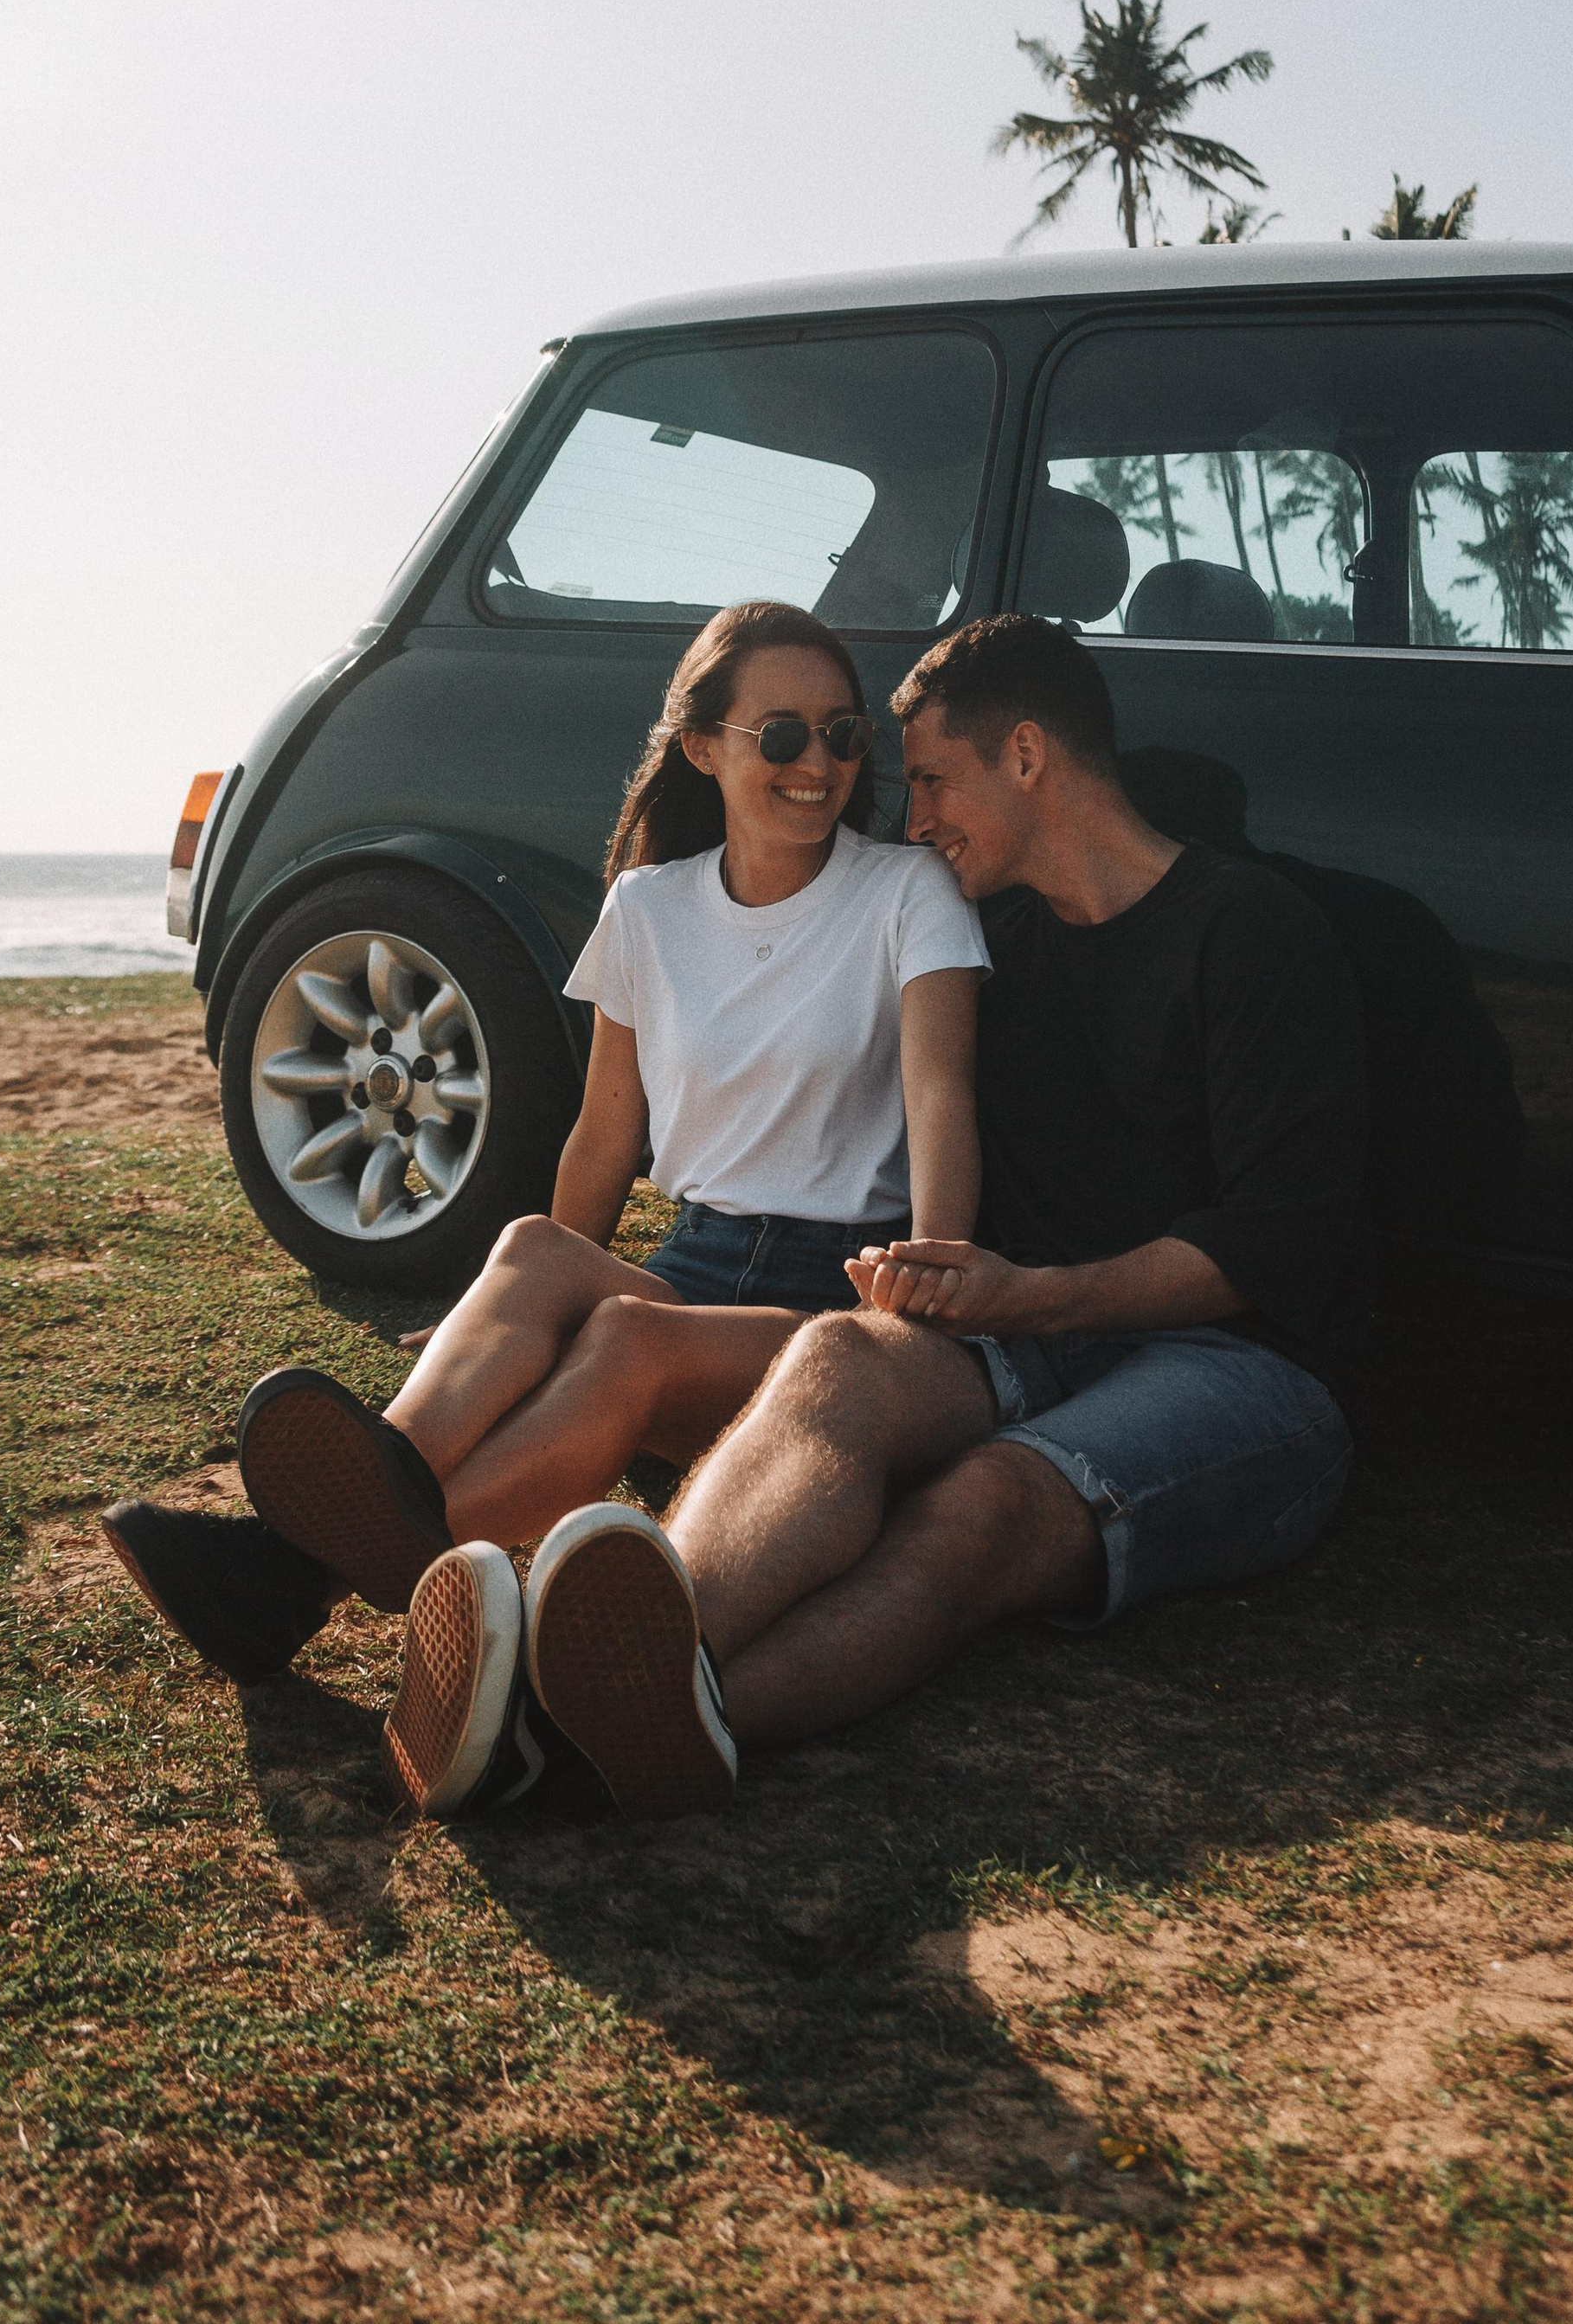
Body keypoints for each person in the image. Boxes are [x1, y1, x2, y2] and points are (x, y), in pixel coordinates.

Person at [398, 611, 1370, 1824]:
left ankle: (617, 1726)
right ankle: (607, 1669)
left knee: (982, 1509)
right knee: (836, 1356)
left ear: (1027, 757)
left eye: (936, 782)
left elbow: (1278, 1243)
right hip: (1024, 1332)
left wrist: (1034, 1293)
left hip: (1236, 1367)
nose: (912, 821)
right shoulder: (988, 931)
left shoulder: (1250, 931)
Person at [100, 598, 988, 1796]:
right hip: (695, 1265)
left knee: (623, 1332)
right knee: (531, 1245)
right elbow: (606, 1134)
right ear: (705, 748)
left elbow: (940, 1094)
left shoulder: (905, 895)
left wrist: (934, 1274)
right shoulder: (648, 909)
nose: (819, 763)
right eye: (782, 736)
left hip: (829, 1299)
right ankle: (334, 1548)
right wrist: (512, 1325)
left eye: (841, 736)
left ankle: (294, 1574)